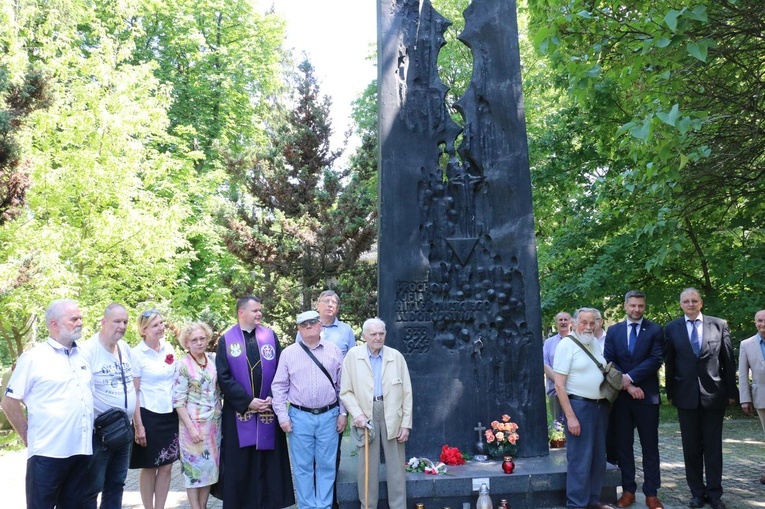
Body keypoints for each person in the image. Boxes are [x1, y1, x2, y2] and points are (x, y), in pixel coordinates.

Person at [1, 299, 93, 509]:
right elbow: (9, 402)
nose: (80, 322)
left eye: (80, 318)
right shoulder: (34, 358)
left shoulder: (84, 356)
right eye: (74, 319)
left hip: (81, 451)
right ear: (54, 324)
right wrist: (26, 433)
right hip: (48, 454)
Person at [215, 296, 294, 509]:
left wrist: (270, 396)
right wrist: (248, 402)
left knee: (267, 461)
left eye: (260, 310)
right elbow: (224, 377)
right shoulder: (227, 340)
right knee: (241, 463)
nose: (259, 314)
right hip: (239, 412)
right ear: (241, 313)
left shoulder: (269, 336)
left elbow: (280, 369)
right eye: (255, 310)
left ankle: (268, 504)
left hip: (267, 409)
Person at [665, 288, 737, 509]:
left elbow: (728, 360)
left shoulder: (718, 325)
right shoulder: (671, 328)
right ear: (680, 304)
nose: (690, 304)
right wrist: (670, 393)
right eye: (686, 301)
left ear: (701, 303)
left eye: (694, 300)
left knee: (713, 447)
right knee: (691, 448)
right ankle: (697, 492)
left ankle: (714, 493)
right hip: (685, 396)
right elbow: (670, 363)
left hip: (714, 395)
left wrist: (732, 392)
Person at [273, 310, 346, 509]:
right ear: (298, 328)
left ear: (320, 324)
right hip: (299, 417)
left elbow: (343, 386)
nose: (309, 326)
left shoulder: (334, 351)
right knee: (302, 468)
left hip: (329, 416)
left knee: (326, 467)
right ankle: (306, 506)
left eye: (313, 322)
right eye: (304, 324)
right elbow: (279, 386)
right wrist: (282, 416)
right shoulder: (288, 353)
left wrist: (343, 413)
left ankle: (323, 506)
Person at [340, 318, 413, 509]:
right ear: (364, 336)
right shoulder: (352, 356)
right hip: (366, 415)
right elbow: (345, 391)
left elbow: (407, 393)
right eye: (373, 334)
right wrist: (357, 414)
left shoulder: (396, 356)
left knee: (396, 468)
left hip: (392, 414)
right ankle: (368, 506)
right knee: (367, 469)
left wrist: (406, 424)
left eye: (381, 333)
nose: (378, 338)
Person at [603, 291, 665, 509]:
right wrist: (628, 385)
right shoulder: (613, 331)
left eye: (640, 306)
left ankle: (651, 493)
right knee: (623, 447)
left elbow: (655, 359)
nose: (637, 309)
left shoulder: (656, 330)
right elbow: (609, 361)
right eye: (633, 306)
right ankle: (628, 490)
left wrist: (631, 378)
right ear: (625, 306)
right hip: (621, 399)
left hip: (647, 397)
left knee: (650, 446)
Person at [297, 290, 356, 509]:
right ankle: (310, 502)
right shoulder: (306, 326)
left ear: (338, 309)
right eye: (326, 301)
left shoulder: (346, 331)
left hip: (332, 409)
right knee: (307, 461)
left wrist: (344, 411)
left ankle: (330, 502)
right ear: (318, 305)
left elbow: (349, 369)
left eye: (335, 302)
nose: (330, 305)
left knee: (331, 459)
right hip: (306, 410)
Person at [553, 308, 613, 509]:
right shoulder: (566, 345)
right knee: (580, 460)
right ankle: (576, 504)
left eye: (592, 322)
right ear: (574, 323)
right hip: (579, 407)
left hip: (599, 407)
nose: (588, 326)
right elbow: (559, 385)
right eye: (584, 322)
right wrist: (570, 417)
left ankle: (593, 501)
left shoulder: (594, 343)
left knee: (598, 459)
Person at [82, 303, 136, 509]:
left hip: (123, 431)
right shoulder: (88, 350)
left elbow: (132, 385)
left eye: (125, 322)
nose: (122, 326)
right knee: (92, 486)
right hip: (100, 433)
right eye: (117, 321)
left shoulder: (124, 348)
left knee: (117, 483)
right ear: (103, 322)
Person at [130, 309, 179, 509]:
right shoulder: (136, 354)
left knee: (167, 466)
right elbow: (134, 391)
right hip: (148, 414)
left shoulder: (169, 348)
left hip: (170, 413)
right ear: (143, 330)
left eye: (161, 323)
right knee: (150, 466)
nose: (160, 328)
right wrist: (138, 425)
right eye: (155, 325)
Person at [173, 322, 221, 509]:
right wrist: (191, 428)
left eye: (202, 338)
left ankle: (203, 506)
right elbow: (178, 401)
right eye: (194, 340)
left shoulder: (213, 359)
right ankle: (195, 507)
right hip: (192, 426)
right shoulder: (183, 365)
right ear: (186, 342)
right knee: (194, 471)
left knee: (209, 470)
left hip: (214, 425)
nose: (199, 343)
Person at [737, 309, 765, 484]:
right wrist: (744, 398)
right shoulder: (746, 344)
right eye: (759, 321)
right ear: (755, 322)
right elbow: (742, 373)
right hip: (761, 396)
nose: (763, 324)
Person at [543, 312, 572, 420]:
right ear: (556, 323)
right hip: (555, 391)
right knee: (558, 429)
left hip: (575, 392)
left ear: (571, 323)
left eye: (566, 319)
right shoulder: (548, 343)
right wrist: (560, 382)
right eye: (560, 320)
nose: (563, 322)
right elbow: (545, 364)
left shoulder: (578, 341)